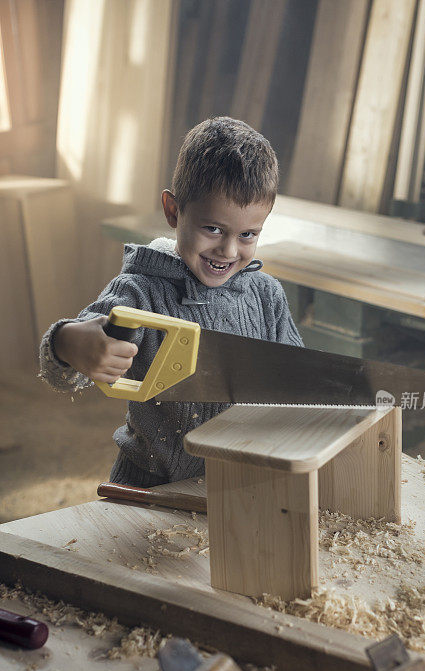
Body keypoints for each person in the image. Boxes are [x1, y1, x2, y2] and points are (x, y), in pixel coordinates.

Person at [39, 117, 304, 487]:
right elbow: (63, 374)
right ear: (173, 211)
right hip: (148, 484)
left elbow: (303, 383)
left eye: (248, 235)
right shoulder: (139, 292)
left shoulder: (266, 295)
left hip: (240, 485)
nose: (228, 250)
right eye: (213, 229)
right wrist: (69, 343)